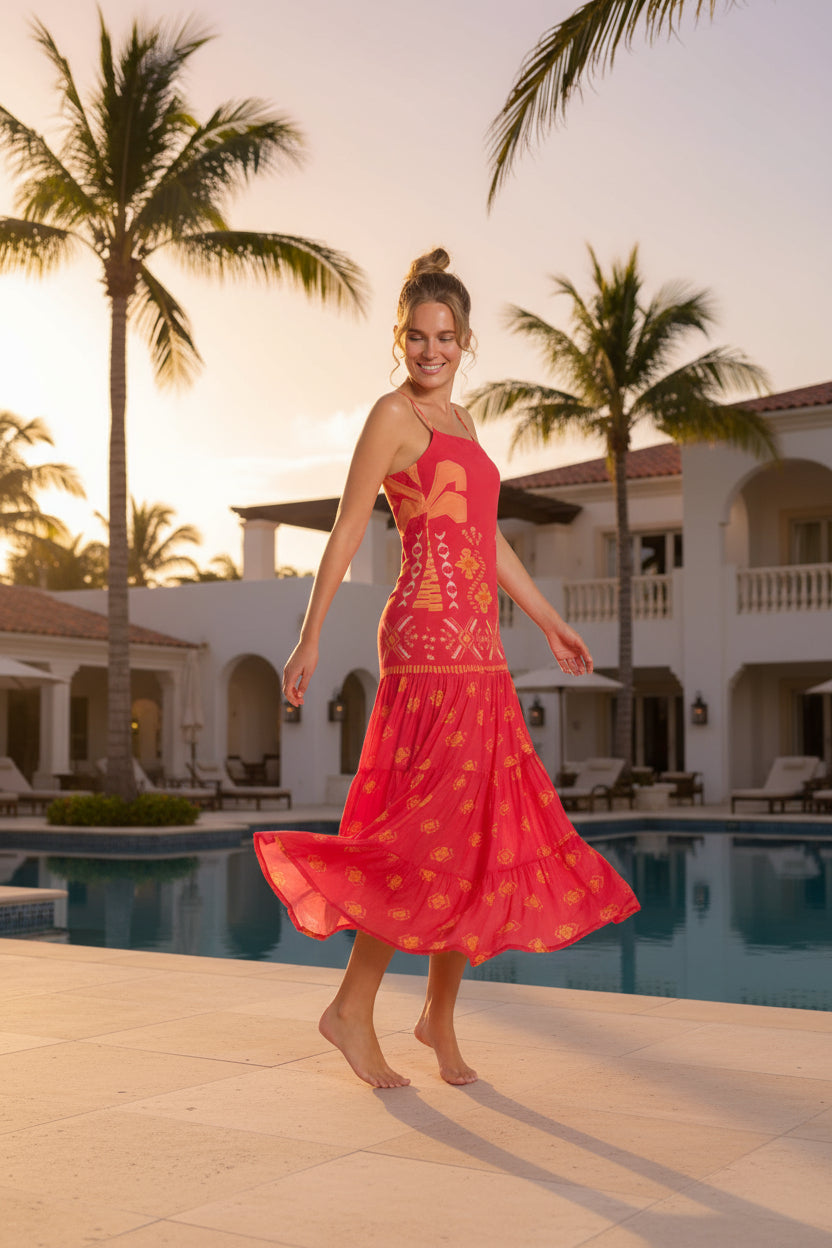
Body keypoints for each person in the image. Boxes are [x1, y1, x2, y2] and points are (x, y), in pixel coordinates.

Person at [254, 249, 639, 1089]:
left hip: (482, 648)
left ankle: (437, 1017)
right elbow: (348, 525)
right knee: (422, 833)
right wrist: (310, 636)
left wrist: (549, 622)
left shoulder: (461, 421)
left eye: (447, 337)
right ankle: (351, 1009)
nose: (432, 350)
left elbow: (485, 537)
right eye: (419, 337)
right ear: (400, 338)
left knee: (476, 834)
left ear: (465, 341)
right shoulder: (392, 415)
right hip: (426, 644)